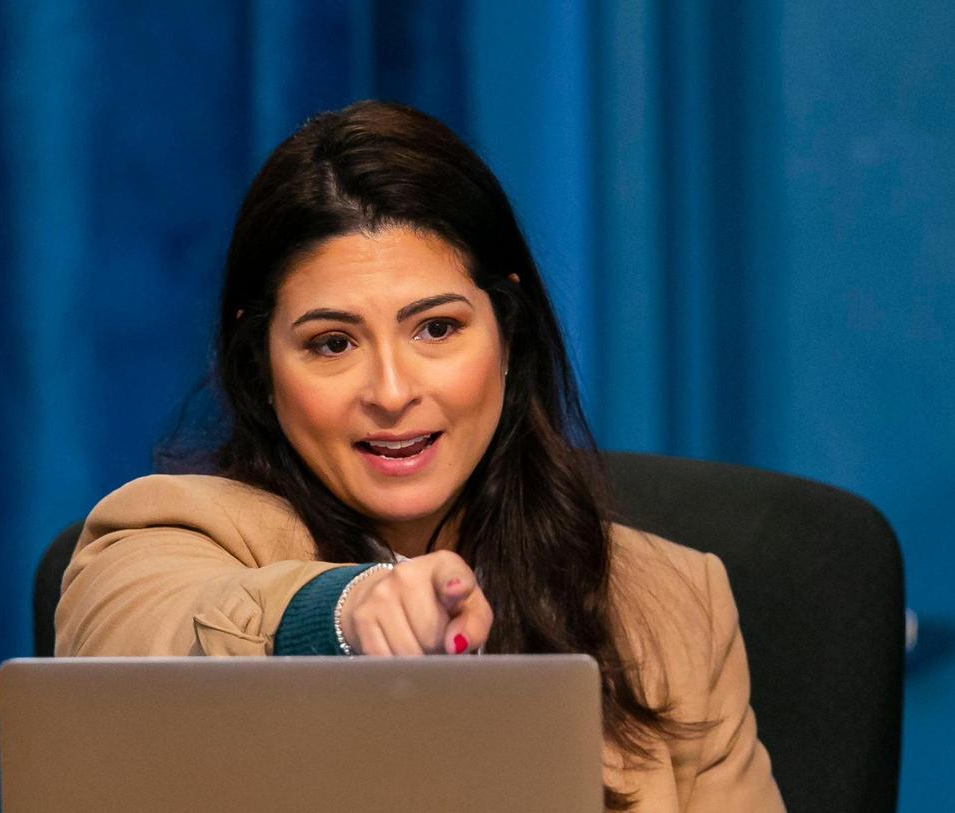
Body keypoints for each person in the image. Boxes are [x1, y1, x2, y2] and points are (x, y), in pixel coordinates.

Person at [56, 100, 785, 811]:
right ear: (260, 368)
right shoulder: (161, 533)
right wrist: (347, 612)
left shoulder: (671, 602)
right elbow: (142, 640)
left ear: (508, 334)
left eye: (436, 329)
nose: (392, 391)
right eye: (332, 343)